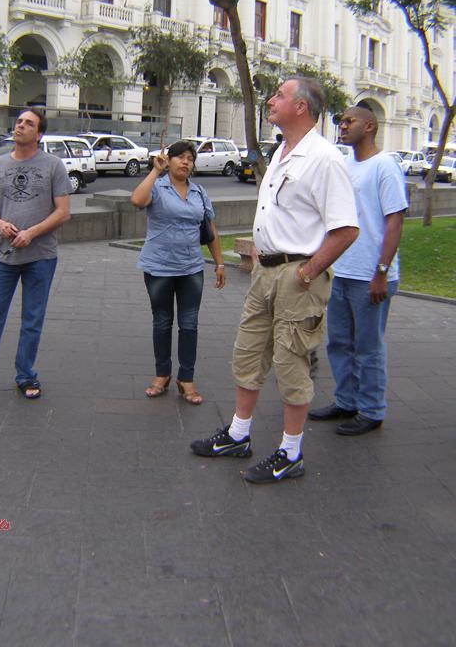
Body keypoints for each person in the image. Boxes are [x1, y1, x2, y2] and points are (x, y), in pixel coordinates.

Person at [190, 77, 359, 482]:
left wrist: (308, 271)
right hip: (264, 273)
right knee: (247, 352)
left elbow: (346, 229)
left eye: (280, 95)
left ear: (301, 107)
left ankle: (291, 452)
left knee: (291, 362)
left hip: (297, 276)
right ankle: (238, 434)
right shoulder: (282, 150)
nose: (270, 100)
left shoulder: (324, 159)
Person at [0, 110, 71, 400]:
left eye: (28, 123)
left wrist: (31, 233)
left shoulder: (54, 166)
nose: (20, 126)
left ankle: (26, 376)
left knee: (32, 319)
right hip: (3, 256)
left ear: (39, 134)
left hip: (40, 256)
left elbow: (63, 212)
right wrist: (0, 224)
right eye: (19, 121)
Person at [309, 106, 407, 435]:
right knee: (338, 342)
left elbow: (394, 222)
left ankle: (372, 410)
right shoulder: (346, 165)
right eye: (340, 122)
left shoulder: (385, 166)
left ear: (370, 126)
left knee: (368, 346)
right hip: (341, 271)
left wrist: (381, 271)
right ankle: (346, 401)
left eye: (349, 121)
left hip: (371, 276)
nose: (342, 126)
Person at [130, 140, 226, 405]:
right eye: (180, 157)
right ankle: (162, 374)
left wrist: (219, 263)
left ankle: (186, 378)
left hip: (191, 268)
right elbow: (137, 200)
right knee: (161, 321)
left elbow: (211, 230)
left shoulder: (198, 192)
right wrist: (154, 172)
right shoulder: (157, 188)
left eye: (190, 158)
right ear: (168, 161)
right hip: (159, 267)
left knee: (189, 324)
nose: (185, 162)